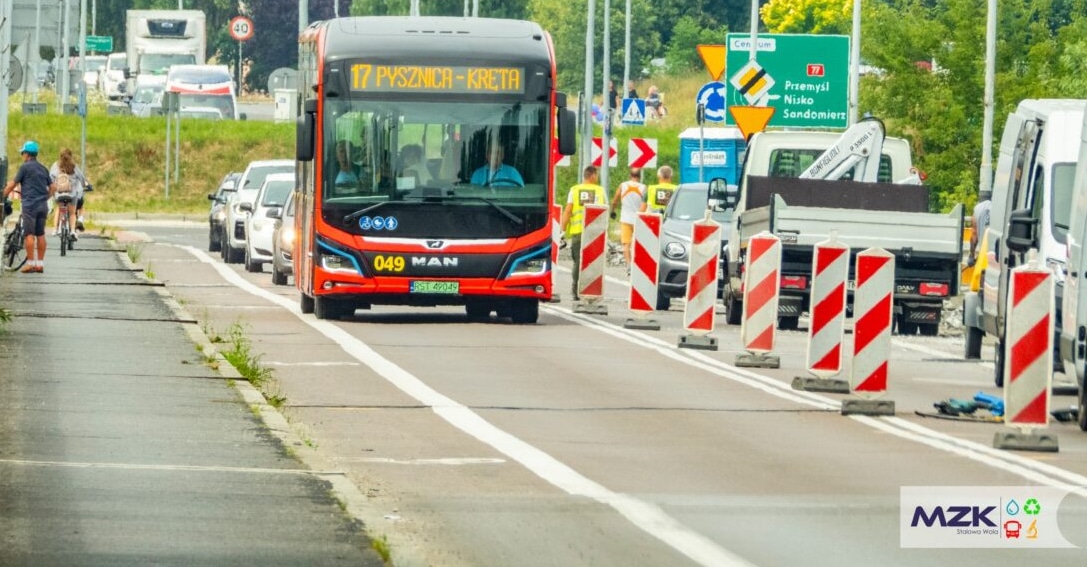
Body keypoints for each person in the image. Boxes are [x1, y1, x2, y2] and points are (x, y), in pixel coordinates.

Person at [2, 141, 56, 273]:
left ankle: (30, 263)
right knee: (41, 234)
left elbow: (12, 184)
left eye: (22, 153)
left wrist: (2, 196)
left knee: (29, 235)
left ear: (27, 154)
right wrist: (46, 197)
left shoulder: (24, 168)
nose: (22, 155)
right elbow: (53, 187)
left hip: (29, 205)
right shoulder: (43, 168)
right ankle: (40, 264)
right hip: (42, 206)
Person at [560, 166, 607, 300]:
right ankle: (590, 290)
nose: (597, 178)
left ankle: (575, 289)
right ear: (592, 176)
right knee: (593, 261)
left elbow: (568, 211)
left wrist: (562, 230)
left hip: (578, 232)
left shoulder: (574, 190)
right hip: (595, 232)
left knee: (578, 262)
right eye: (596, 176)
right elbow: (604, 210)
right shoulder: (600, 191)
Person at [50, 148, 90, 241]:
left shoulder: (56, 166)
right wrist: (86, 185)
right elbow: (82, 179)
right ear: (71, 156)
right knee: (72, 214)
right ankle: (72, 231)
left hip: (59, 195)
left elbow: (50, 179)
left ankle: (59, 227)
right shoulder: (74, 167)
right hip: (71, 195)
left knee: (60, 209)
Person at [610, 167, 646, 269]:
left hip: (625, 219)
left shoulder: (623, 185)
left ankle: (629, 265)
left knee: (626, 244)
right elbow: (645, 204)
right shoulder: (643, 188)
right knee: (639, 243)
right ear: (640, 176)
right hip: (638, 219)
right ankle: (638, 265)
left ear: (630, 176)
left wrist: (612, 211)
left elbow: (615, 200)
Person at [969, 188, 992, 266]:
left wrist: (971, 255)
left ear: (980, 198)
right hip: (996, 253)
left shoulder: (977, 209)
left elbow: (974, 234)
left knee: (983, 275)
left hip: (983, 253)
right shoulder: (997, 207)